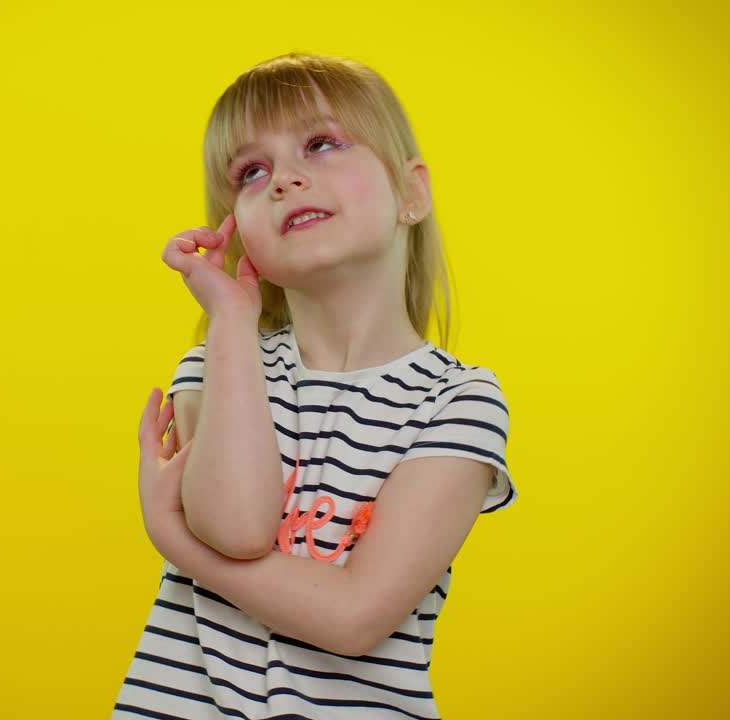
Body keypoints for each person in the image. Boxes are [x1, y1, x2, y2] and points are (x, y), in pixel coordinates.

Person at [116, 52, 518, 720]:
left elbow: (356, 617)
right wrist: (232, 319)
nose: (285, 180)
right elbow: (240, 527)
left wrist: (176, 539)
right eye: (251, 172)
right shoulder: (216, 362)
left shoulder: (459, 401)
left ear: (411, 194)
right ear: (238, 237)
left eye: (322, 143)